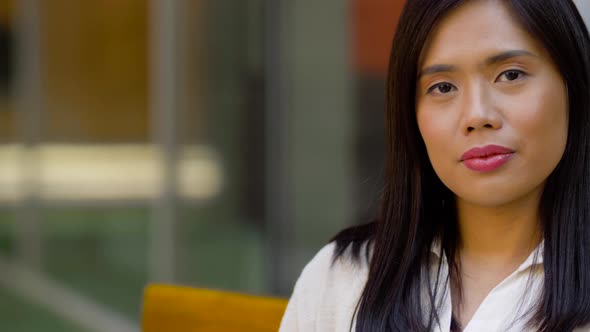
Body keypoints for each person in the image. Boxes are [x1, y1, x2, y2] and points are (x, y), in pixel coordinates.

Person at [279, 0, 590, 331]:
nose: (477, 115)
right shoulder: (341, 279)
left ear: (574, 86)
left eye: (510, 75)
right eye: (443, 87)